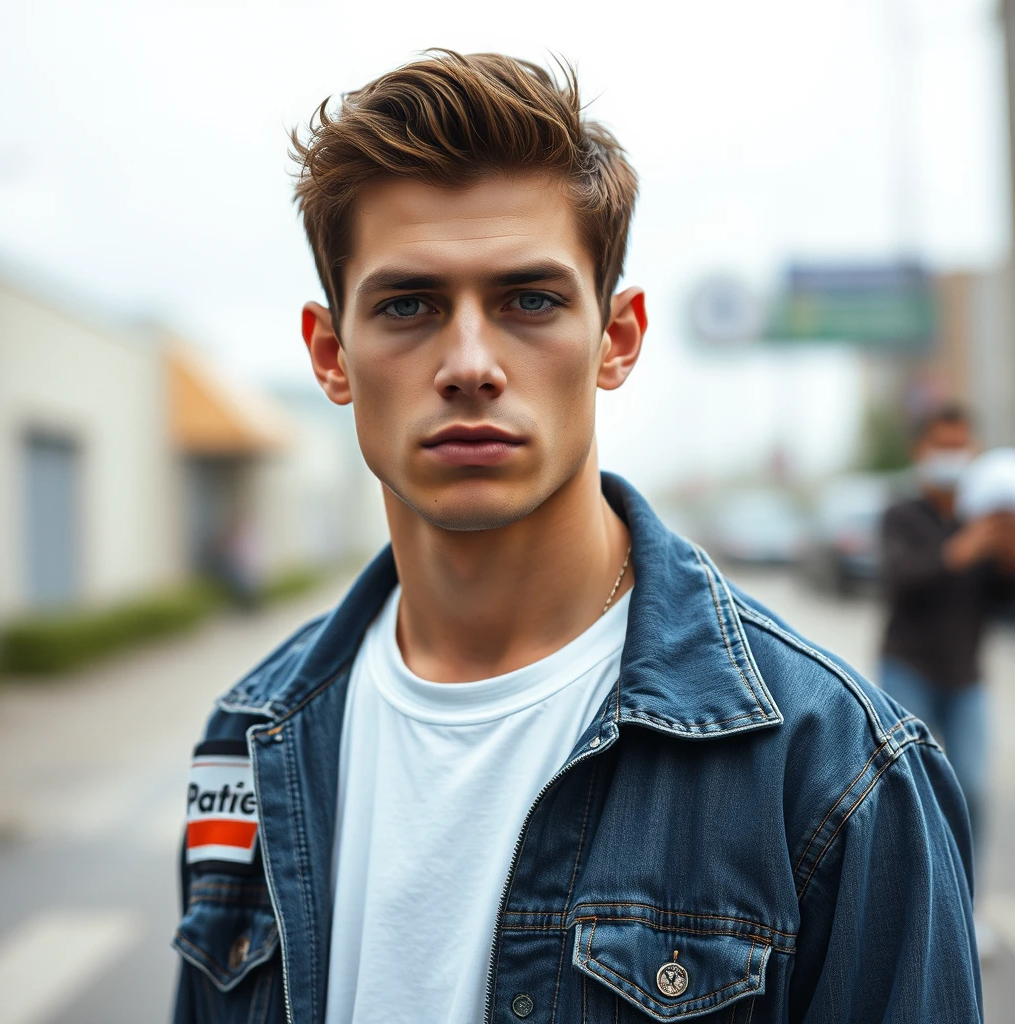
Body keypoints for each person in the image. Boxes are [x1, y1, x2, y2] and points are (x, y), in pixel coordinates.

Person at [172, 52, 981, 1023]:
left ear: (617, 338)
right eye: (406, 305)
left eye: (530, 300)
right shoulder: (247, 738)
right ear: (329, 355)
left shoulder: (837, 768)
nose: (469, 364)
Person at [881, 404, 1015, 876]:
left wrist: (1006, 556)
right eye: (943, 446)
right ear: (921, 450)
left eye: (961, 446)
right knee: (905, 788)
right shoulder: (901, 514)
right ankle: (908, 898)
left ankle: (966, 905)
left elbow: (1002, 602)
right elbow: (903, 577)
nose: (953, 456)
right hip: (907, 671)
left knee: (973, 789)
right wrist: (964, 548)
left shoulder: (985, 515)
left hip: (966, 675)